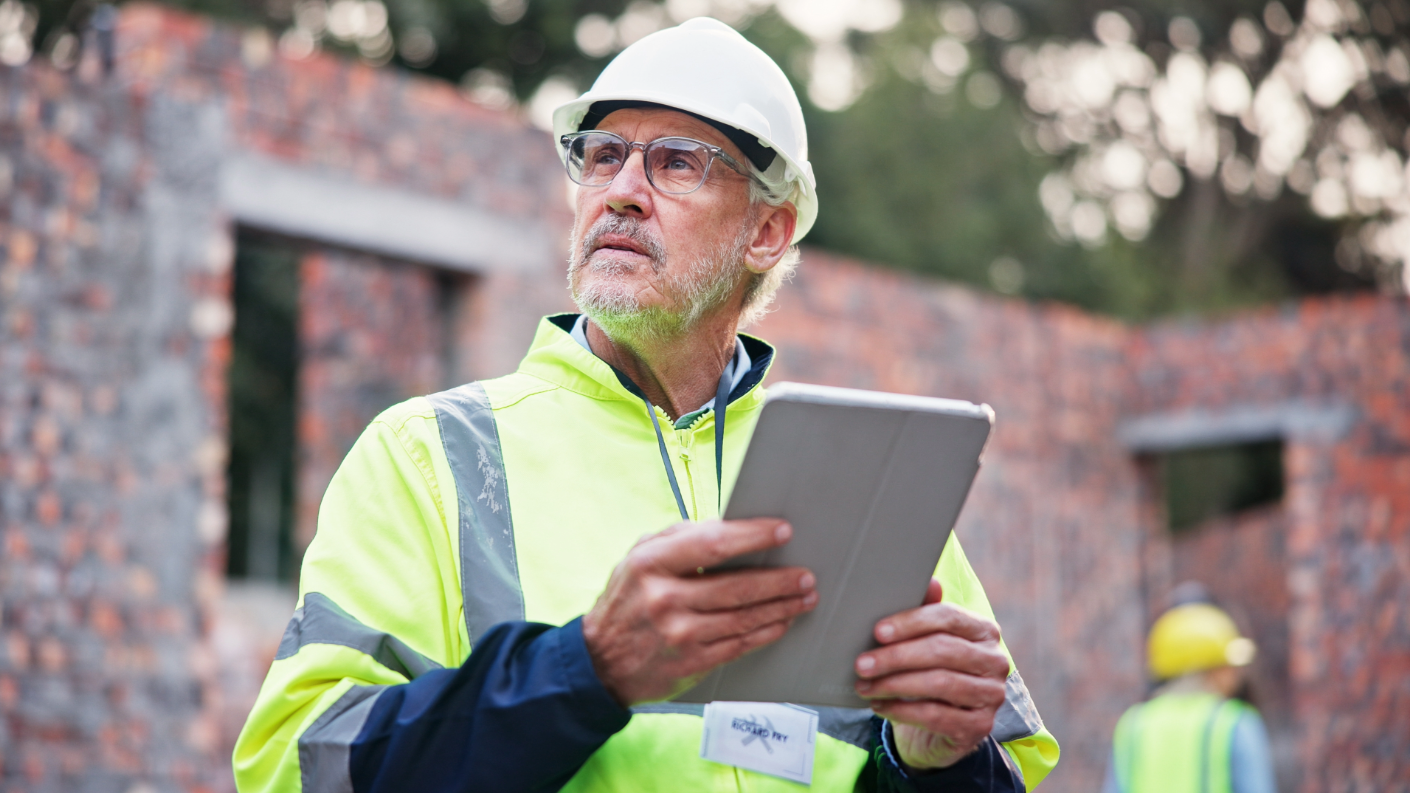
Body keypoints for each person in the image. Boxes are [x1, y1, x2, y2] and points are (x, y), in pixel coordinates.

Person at [233, 17, 1059, 793]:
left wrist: (933, 759)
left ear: (766, 232)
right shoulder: (428, 454)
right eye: (601, 155)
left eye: (675, 161)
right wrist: (585, 669)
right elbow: (300, 766)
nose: (621, 190)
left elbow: (994, 766)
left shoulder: (876, 479)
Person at [1104, 601, 1276, 793]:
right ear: (1207, 668)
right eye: (1226, 666)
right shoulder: (1234, 723)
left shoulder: (1132, 726)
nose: (1237, 675)